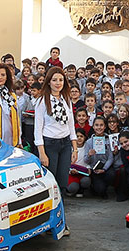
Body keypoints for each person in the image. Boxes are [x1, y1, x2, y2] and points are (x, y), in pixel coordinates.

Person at [34, 67, 77, 215]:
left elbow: (71, 125)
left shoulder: (66, 99)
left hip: (65, 144)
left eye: (61, 80)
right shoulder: (42, 101)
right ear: (48, 82)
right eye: (54, 80)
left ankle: (61, 217)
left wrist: (74, 148)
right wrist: (42, 153)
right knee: (50, 184)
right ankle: (48, 217)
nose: (58, 83)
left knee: (62, 183)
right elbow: (38, 129)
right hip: (49, 145)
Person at [84, 116, 114, 198]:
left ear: (105, 126)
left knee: (111, 175)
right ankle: (95, 187)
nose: (99, 127)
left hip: (105, 168)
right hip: (95, 169)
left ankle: (105, 187)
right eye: (96, 125)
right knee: (99, 190)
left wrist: (104, 169)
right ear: (93, 126)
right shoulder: (89, 142)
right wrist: (89, 155)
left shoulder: (109, 140)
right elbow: (86, 160)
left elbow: (111, 158)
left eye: (101, 125)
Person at [67, 129, 91, 198]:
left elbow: (89, 161)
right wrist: (70, 171)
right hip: (72, 172)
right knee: (73, 187)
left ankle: (81, 190)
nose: (79, 138)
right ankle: (70, 190)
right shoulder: (70, 148)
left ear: (85, 138)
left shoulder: (87, 147)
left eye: (81, 136)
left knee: (86, 181)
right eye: (77, 136)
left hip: (83, 173)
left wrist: (89, 168)